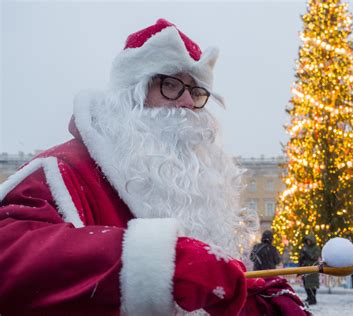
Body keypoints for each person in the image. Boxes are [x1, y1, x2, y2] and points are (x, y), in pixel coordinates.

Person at [0, 19, 309, 315]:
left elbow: (200, 284)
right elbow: (9, 253)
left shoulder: (192, 181)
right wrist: (161, 261)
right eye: (171, 85)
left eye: (197, 91)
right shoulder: (62, 169)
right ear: (132, 94)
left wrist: (253, 298)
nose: (188, 101)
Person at [298, 234, 320, 305]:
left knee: (313, 285)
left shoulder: (316, 248)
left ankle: (313, 298)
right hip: (305, 268)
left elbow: (314, 257)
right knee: (306, 284)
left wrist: (307, 253)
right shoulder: (305, 247)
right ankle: (309, 297)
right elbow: (301, 257)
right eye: (307, 241)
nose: (308, 242)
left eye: (309, 240)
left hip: (313, 268)